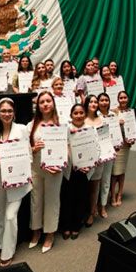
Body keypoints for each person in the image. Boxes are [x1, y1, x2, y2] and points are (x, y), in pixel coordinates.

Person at [0, 98, 30, 266]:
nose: (6, 114)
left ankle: (7, 252)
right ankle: (0, 244)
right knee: (0, 213)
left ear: (14, 113)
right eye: (3, 111)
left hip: (18, 179)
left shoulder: (22, 129)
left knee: (10, 216)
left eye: (9, 111)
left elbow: (28, 155)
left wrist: (7, 160)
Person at [28, 91, 64, 253]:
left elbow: (67, 147)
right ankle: (36, 231)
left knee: (52, 201)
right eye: (42, 102)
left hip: (54, 170)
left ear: (53, 103)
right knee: (36, 201)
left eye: (48, 101)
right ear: (38, 106)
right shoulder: (31, 125)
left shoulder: (61, 124)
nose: (45, 104)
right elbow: (26, 150)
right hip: (36, 168)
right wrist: (34, 149)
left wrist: (61, 164)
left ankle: (49, 234)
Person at [60, 103, 93, 240]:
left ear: (85, 114)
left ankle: (76, 226)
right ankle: (66, 226)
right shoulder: (66, 129)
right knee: (67, 199)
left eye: (81, 113)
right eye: (75, 113)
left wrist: (89, 164)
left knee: (81, 198)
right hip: (69, 170)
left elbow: (96, 148)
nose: (78, 115)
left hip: (84, 171)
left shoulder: (90, 129)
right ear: (71, 115)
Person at [83, 95, 105, 227]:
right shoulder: (81, 119)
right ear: (86, 104)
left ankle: (91, 213)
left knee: (94, 188)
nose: (93, 104)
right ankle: (82, 212)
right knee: (83, 188)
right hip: (84, 162)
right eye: (90, 101)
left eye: (95, 102)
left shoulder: (101, 120)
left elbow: (105, 140)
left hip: (99, 160)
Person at [111, 91, 135, 207]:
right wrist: (117, 123)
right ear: (118, 99)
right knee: (114, 173)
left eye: (125, 97)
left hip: (126, 145)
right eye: (121, 98)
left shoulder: (130, 112)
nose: (123, 99)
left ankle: (119, 194)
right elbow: (110, 127)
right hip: (116, 145)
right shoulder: (114, 112)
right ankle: (113, 195)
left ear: (128, 99)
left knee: (122, 172)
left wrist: (133, 138)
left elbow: (133, 129)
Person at [96, 93, 116, 218]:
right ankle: (93, 206)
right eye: (101, 100)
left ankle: (103, 206)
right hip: (97, 153)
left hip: (109, 151)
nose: (104, 102)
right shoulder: (95, 116)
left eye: (106, 100)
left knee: (106, 179)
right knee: (96, 180)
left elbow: (116, 134)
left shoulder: (113, 115)